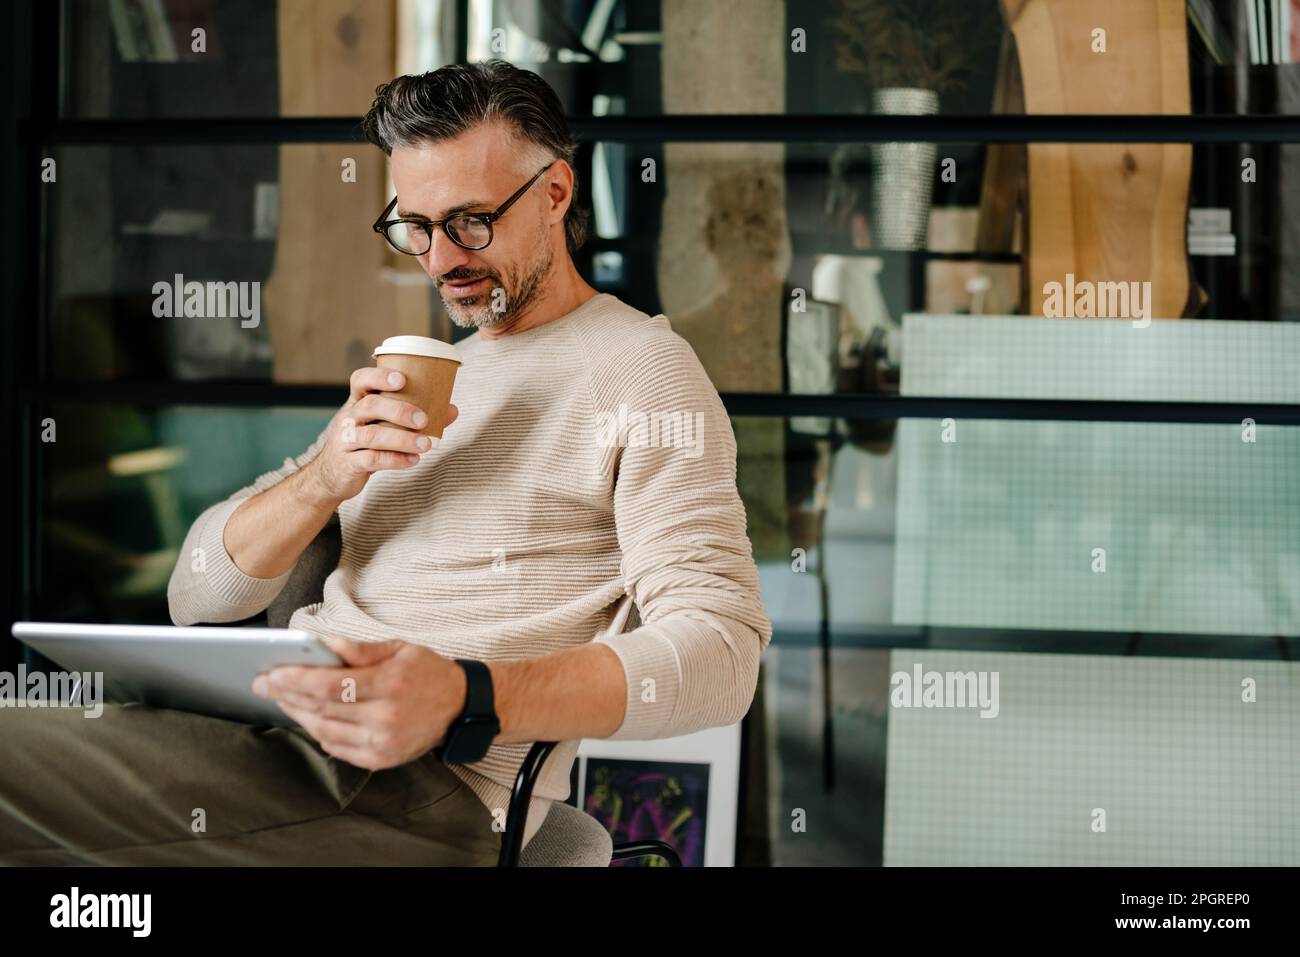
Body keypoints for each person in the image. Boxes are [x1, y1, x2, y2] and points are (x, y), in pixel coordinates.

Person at [0, 59, 771, 866]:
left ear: (555, 193)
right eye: (416, 226)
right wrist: (327, 475)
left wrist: (467, 695)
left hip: (409, 788)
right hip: (265, 740)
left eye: (471, 220)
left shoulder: (642, 368)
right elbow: (195, 596)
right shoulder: (427, 375)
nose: (440, 259)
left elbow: (722, 652)